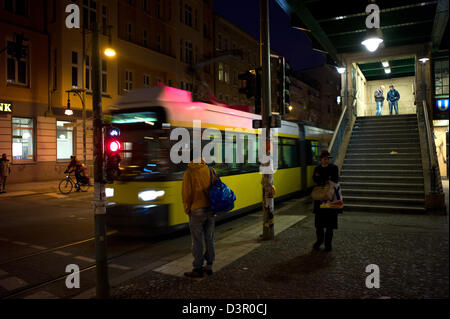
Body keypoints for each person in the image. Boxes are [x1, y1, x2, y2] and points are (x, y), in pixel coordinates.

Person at [182, 157, 218, 278]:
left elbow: (186, 194)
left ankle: (197, 268)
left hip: (196, 210)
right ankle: (209, 266)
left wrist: (187, 209)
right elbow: (216, 188)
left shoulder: (189, 172)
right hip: (210, 209)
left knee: (197, 240)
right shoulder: (210, 170)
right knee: (210, 238)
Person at [312, 150, 342, 252]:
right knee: (319, 224)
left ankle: (328, 245)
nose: (326, 160)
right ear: (321, 159)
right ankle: (319, 241)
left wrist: (322, 179)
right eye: (324, 158)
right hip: (320, 200)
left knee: (330, 225)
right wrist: (326, 179)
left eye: (328, 158)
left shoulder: (333, 168)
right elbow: (315, 179)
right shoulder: (317, 168)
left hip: (331, 198)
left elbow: (335, 179)